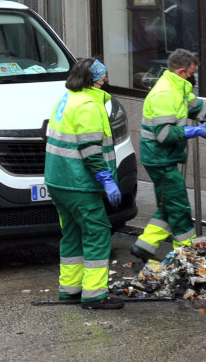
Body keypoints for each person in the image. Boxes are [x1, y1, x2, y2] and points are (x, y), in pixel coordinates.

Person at [131, 49, 206, 261]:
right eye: (192, 72)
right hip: (159, 159)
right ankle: (185, 255)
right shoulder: (164, 94)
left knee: (167, 205)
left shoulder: (176, 87)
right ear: (182, 71)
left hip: (162, 158)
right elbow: (164, 134)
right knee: (179, 208)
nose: (194, 76)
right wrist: (198, 131)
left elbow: (196, 107)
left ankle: (144, 246)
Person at [45, 58, 125, 310]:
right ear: (96, 80)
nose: (106, 81)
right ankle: (94, 295)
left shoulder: (66, 99)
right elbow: (90, 150)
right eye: (104, 77)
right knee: (97, 232)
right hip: (79, 183)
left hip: (59, 181)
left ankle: (70, 289)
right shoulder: (90, 105)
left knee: (72, 234)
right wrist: (106, 180)